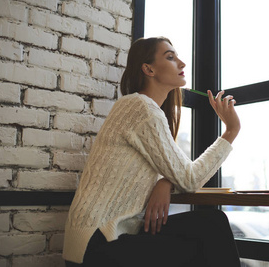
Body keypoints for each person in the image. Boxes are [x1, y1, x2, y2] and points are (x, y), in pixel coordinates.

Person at [63, 37, 241, 266]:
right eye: (170, 57)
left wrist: (164, 182)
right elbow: (189, 178)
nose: (182, 63)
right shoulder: (139, 107)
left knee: (210, 224)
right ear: (148, 69)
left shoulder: (144, 110)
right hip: (95, 245)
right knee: (209, 233)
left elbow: (169, 172)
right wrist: (231, 130)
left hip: (113, 235)